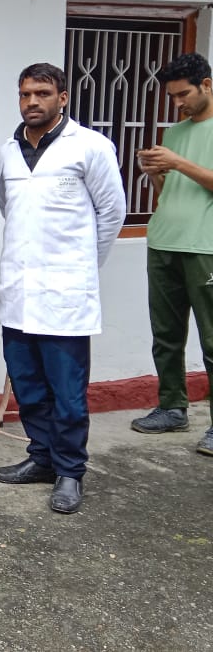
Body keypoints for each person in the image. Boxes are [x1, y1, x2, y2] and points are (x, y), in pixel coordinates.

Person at [0, 63, 126, 514]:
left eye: (43, 93)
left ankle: (70, 471)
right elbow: (11, 210)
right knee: (28, 386)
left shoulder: (90, 146)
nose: (32, 101)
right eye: (25, 93)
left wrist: (80, 267)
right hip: (18, 292)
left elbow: (112, 214)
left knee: (67, 393)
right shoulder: (9, 152)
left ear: (63, 98)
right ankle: (42, 458)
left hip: (65, 294)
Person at [131, 52, 213, 457]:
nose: (178, 103)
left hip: (205, 247)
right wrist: (156, 175)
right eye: (173, 96)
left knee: (212, 340)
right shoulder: (174, 132)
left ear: (207, 85)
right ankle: (171, 407)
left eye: (184, 95)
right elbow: (169, 195)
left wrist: (178, 162)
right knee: (165, 334)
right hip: (164, 241)